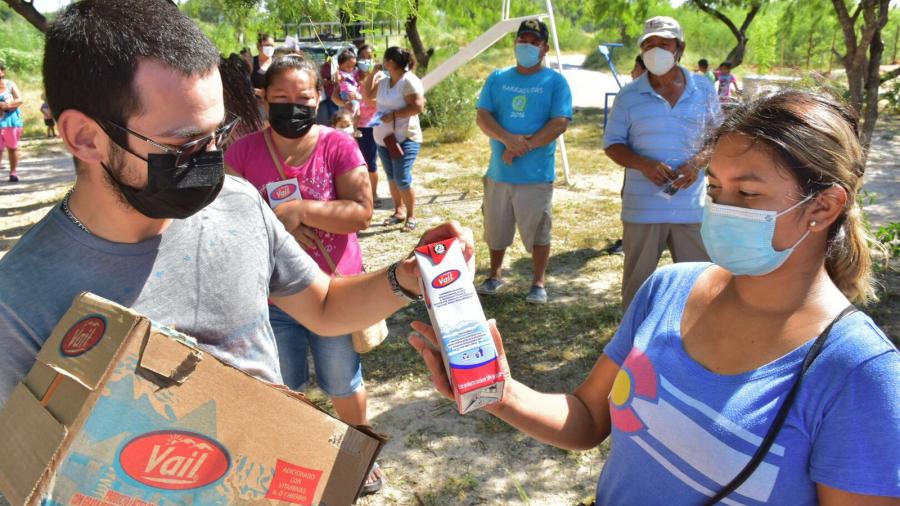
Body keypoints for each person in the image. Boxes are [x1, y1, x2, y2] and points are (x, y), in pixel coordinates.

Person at [0, 2, 472, 501]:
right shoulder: (18, 303)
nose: (210, 161)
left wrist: (405, 276)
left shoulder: (238, 204)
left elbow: (324, 306)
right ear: (84, 137)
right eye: (184, 145)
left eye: (218, 135)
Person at [411, 90, 900, 505]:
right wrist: (496, 391)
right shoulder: (670, 289)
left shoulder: (858, 373)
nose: (722, 210)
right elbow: (588, 418)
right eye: (715, 189)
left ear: (823, 206)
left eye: (748, 194)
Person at [224, 55, 382, 493]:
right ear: (263, 99)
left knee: (342, 381)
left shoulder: (338, 146)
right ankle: (292, 456)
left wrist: (301, 211)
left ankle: (359, 455)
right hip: (272, 297)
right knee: (283, 385)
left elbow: (361, 212)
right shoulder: (242, 152)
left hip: (334, 292)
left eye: (304, 97)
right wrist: (278, 226)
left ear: (319, 98)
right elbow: (229, 218)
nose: (292, 106)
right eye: (281, 97)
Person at [604, 16, 722, 308]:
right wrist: (644, 165)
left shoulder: (703, 89)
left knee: (699, 286)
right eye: (649, 45)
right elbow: (613, 145)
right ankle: (634, 334)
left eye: (663, 44)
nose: (655, 50)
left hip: (691, 209)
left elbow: (719, 138)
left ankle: (694, 334)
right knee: (637, 289)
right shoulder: (628, 96)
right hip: (642, 210)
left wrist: (696, 164)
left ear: (680, 48)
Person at [473, 18, 572, 304]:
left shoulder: (555, 82)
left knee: (539, 231)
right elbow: (483, 116)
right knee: (495, 228)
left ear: (545, 48)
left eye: (534, 42)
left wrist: (521, 147)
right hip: (499, 172)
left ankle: (538, 282)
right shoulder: (498, 78)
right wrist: (508, 140)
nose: (526, 46)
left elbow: (559, 123)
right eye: (522, 40)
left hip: (535, 175)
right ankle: (494, 275)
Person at [362, 46, 425, 232]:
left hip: (405, 137)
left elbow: (418, 107)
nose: (382, 62)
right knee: (392, 177)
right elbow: (368, 95)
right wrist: (372, 74)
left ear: (390, 62)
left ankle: (411, 216)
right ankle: (399, 211)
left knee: (402, 178)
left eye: (384, 59)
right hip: (384, 139)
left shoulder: (409, 81)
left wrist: (395, 115)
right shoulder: (384, 81)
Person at [335, 44, 380, 207]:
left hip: (370, 124)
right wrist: (345, 102)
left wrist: (360, 98)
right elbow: (335, 97)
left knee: (370, 162)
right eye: (363, 57)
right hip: (351, 124)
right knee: (352, 161)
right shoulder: (350, 75)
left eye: (369, 57)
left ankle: (373, 195)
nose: (366, 61)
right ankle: (357, 194)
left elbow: (379, 102)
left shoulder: (379, 77)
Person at [0, 63, 24, 182]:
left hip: (11, 122)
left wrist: (6, 106)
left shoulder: (10, 84)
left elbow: (20, 99)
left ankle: (13, 173)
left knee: (12, 148)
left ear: (2, 71)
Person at [335, 49, 361, 129]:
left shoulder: (352, 72)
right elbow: (338, 78)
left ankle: (354, 130)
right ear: (341, 65)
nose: (351, 68)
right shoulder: (341, 74)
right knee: (347, 114)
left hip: (354, 95)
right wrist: (337, 75)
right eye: (348, 66)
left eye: (353, 66)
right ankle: (345, 128)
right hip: (346, 94)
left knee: (357, 114)